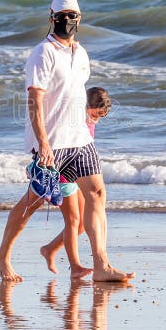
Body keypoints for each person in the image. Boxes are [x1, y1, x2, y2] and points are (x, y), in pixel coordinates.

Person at [0, 0, 134, 283]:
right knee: (32, 202)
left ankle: (102, 265)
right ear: (51, 18)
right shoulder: (42, 53)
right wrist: (42, 142)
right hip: (52, 142)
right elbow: (34, 98)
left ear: (79, 19)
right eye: (61, 15)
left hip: (80, 138)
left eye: (72, 15)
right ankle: (2, 256)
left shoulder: (81, 54)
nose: (67, 20)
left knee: (96, 193)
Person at [39, 87, 111, 278]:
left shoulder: (88, 119)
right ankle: (75, 266)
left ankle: (50, 249)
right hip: (63, 171)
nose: (96, 119)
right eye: (95, 114)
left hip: (79, 172)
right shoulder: (74, 117)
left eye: (100, 117)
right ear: (85, 106)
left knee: (81, 224)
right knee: (73, 221)